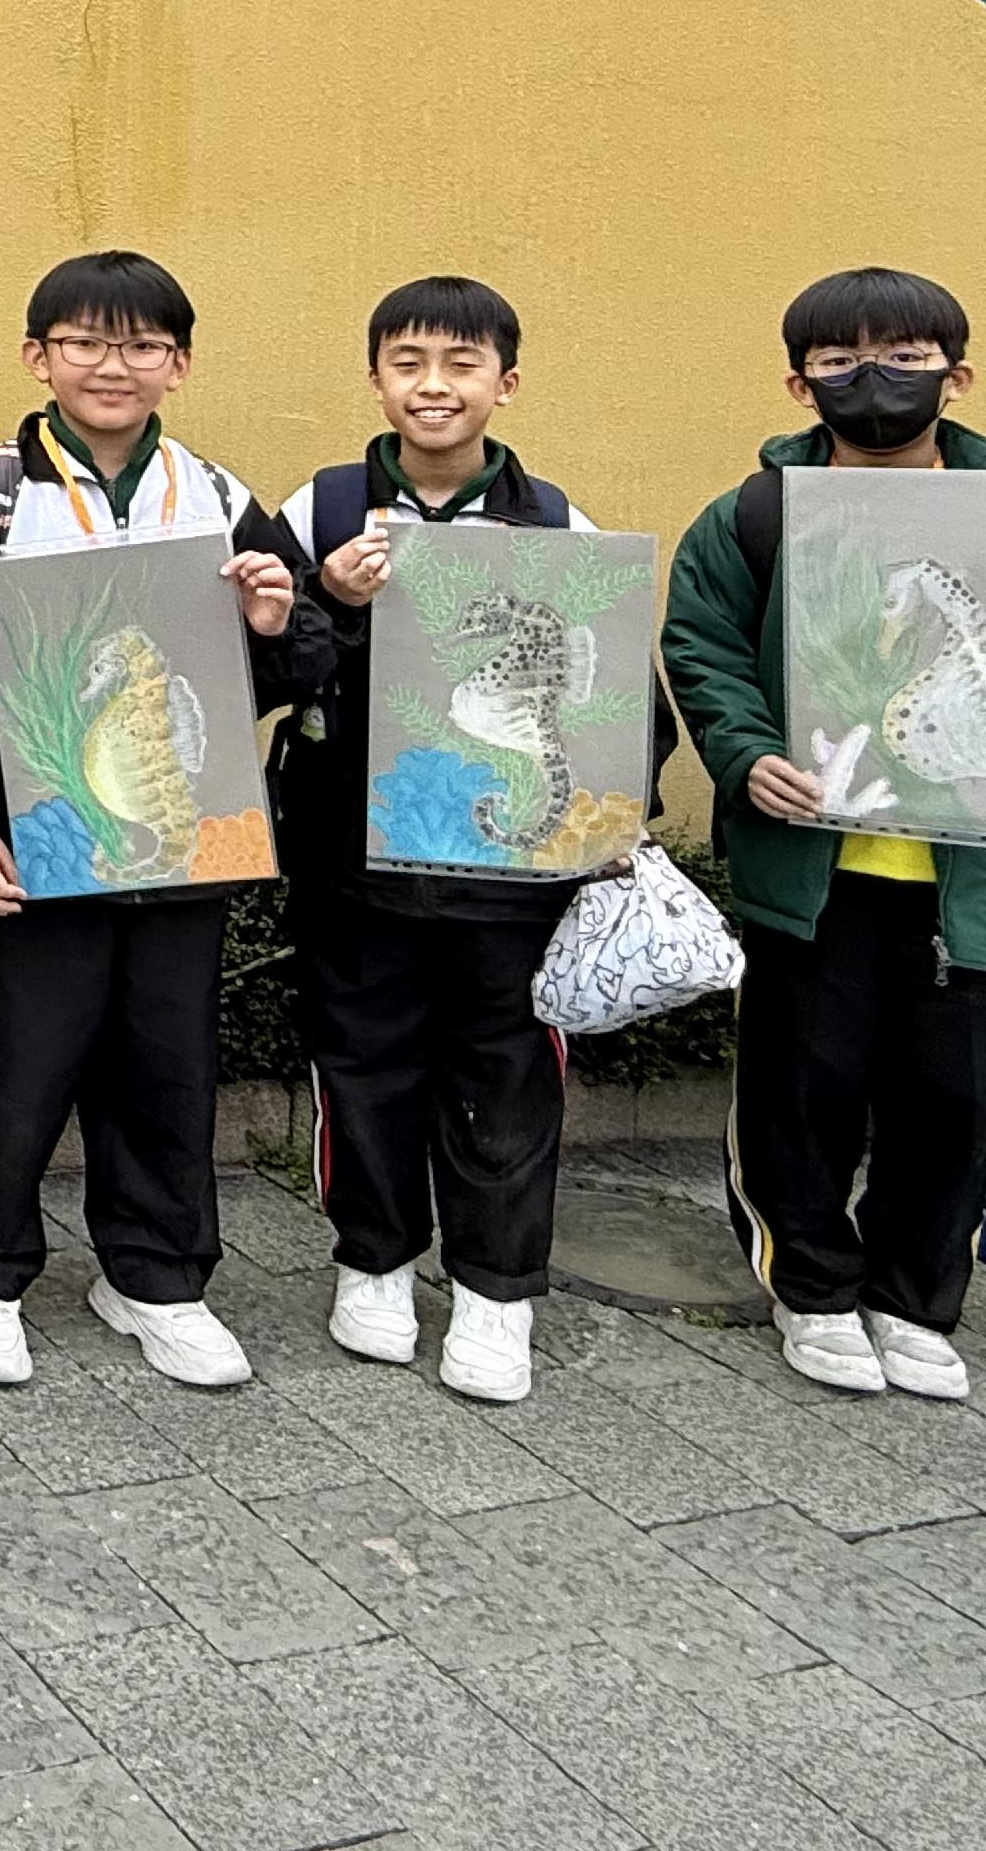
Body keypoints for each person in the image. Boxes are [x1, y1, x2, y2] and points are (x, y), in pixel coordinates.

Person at [660, 266, 986, 1402]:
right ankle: (810, 1286)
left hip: (979, 879)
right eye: (840, 362)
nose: (874, 380)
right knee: (802, 1089)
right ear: (800, 385)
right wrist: (746, 757)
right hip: (817, 867)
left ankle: (915, 1298)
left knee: (955, 1099)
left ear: (959, 375)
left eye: (903, 357)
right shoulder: (756, 513)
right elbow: (701, 646)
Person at [0, 250, 326, 1393]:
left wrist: (276, 624)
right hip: (40, 849)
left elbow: (301, 661)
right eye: (84, 341)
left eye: (141, 345)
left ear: (178, 364)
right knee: (16, 1064)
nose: (112, 365)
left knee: (166, 1068)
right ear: (37, 356)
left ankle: (156, 1278)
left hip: (181, 850)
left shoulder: (217, 496)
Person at [273, 278, 675, 1406]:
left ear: (507, 382)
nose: (434, 387)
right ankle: (374, 1263)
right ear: (375, 379)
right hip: (354, 867)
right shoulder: (321, 507)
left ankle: (498, 1290)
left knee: (507, 1072)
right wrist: (328, 598)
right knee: (361, 1062)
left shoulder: (557, 524)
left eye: (461, 364)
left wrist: (614, 817)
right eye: (409, 363)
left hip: (512, 880)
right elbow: (257, 660)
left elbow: (624, 696)